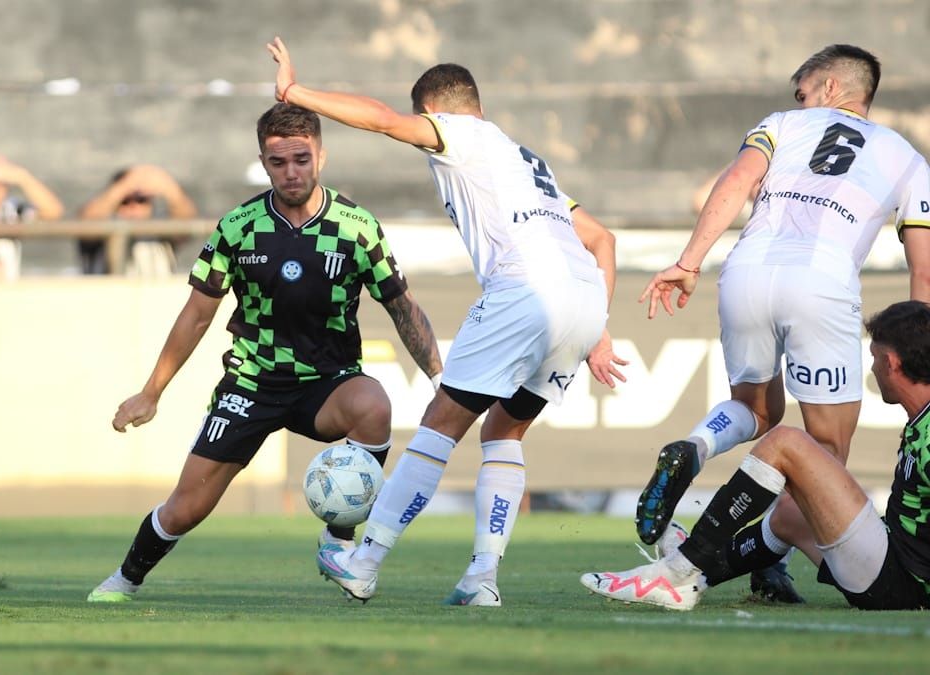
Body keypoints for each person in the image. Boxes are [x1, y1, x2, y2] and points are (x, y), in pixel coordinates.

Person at [266, 37, 626, 606]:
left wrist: (295, 92)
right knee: (504, 431)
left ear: (433, 111)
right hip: (582, 301)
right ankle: (482, 577)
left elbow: (383, 121)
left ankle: (363, 561)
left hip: (523, 292)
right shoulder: (528, 162)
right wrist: (597, 329)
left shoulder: (462, 134)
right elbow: (601, 240)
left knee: (440, 424)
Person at [85, 103, 442, 602]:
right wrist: (151, 393)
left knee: (374, 406)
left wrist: (438, 379)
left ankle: (336, 542)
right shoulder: (239, 227)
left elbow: (400, 304)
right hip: (252, 384)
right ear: (263, 161)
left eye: (302, 159)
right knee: (186, 507)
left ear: (322, 155)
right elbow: (196, 315)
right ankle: (125, 578)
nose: (291, 172)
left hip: (328, 381)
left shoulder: (356, 227)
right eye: (279, 162)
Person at [633, 44, 930, 603]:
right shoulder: (907, 158)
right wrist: (922, 351)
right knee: (821, 457)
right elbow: (926, 273)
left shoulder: (781, 125)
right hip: (821, 282)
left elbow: (737, 181)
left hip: (746, 269)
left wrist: (688, 261)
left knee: (756, 410)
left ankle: (695, 448)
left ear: (833, 86)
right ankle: (769, 564)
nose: (797, 100)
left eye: (803, 89)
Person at [583, 300, 930, 611]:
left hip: (901, 582)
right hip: (892, 558)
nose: (871, 371)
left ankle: (675, 570)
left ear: (891, 362)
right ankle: (695, 578)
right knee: (790, 512)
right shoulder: (921, 418)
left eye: (873, 360)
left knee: (784, 443)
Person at [77, 164, 199, 275]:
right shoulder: (101, 233)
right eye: (125, 201)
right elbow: (85, 222)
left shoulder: (161, 231)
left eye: (141, 200)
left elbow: (187, 220)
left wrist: (169, 189)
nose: (133, 206)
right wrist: (124, 187)